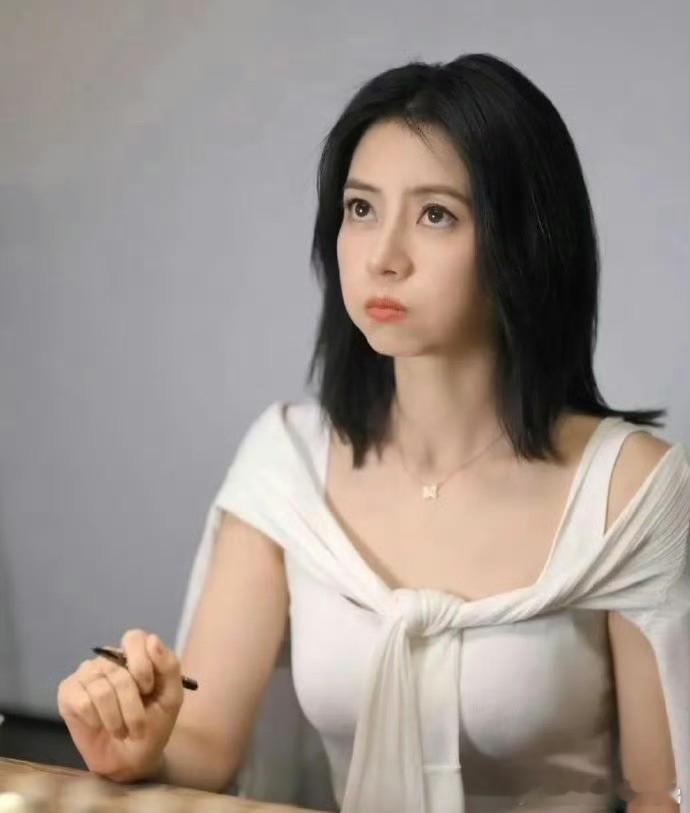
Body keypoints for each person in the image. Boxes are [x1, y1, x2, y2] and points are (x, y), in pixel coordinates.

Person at [57, 53, 689, 813]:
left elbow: (665, 794)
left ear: (525, 240)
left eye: (436, 215)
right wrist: (141, 746)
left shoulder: (632, 489)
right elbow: (208, 745)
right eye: (360, 209)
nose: (383, 257)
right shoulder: (287, 465)